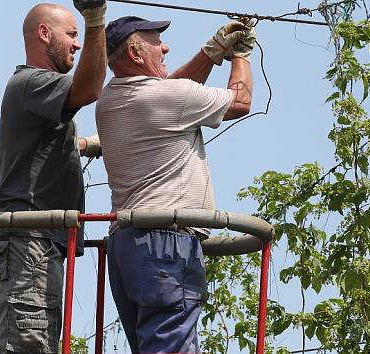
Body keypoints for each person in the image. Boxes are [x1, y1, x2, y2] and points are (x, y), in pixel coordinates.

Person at [95, 15, 256, 353]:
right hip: (165, 245)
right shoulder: (169, 98)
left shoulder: (109, 100)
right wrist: (240, 54)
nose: (165, 46)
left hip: (127, 243)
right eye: (156, 41)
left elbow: (171, 91)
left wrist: (211, 52)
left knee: (153, 344)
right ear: (137, 55)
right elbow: (240, 101)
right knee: (171, 345)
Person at [0, 1, 106, 353]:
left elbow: (40, 146)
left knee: (34, 341)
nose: (78, 44)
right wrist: (95, 18)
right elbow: (89, 89)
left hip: (34, 244)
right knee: (27, 344)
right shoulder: (32, 83)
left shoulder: (34, 93)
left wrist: (87, 145)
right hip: (28, 242)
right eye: (72, 34)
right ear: (44, 34)